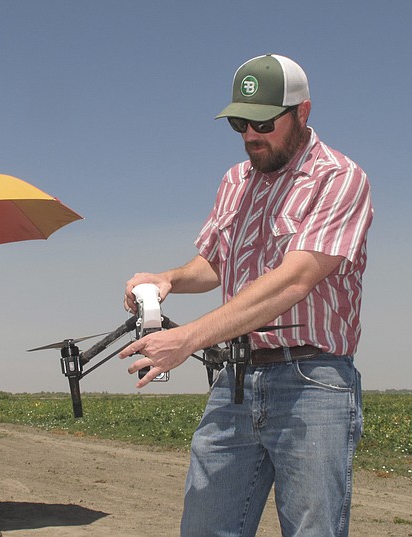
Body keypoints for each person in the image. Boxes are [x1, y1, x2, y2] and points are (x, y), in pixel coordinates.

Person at [119, 53, 373, 537]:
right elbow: (213, 264)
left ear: (303, 112)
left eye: (263, 121)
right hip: (237, 378)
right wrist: (171, 277)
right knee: (205, 528)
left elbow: (295, 278)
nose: (250, 135)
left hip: (312, 380)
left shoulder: (340, 179)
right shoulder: (235, 181)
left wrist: (189, 338)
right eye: (239, 122)